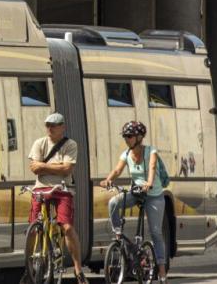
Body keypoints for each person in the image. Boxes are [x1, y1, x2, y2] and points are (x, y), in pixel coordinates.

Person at [100, 121, 168, 282]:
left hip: (154, 195)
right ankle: (118, 235)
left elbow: (152, 167)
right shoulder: (126, 154)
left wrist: (149, 183)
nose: (126, 139)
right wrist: (108, 180)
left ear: (139, 137)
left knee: (156, 232)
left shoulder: (151, 151)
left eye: (129, 136)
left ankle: (162, 270)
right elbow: (117, 170)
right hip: (136, 192)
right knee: (113, 202)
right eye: (125, 136)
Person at [28, 113, 87, 284]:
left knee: (67, 228)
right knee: (33, 227)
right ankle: (30, 265)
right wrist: (56, 167)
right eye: (47, 125)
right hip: (41, 188)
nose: (50, 128)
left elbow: (67, 169)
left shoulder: (70, 144)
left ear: (62, 127)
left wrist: (44, 166)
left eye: (54, 125)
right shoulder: (39, 143)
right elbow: (34, 168)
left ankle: (78, 269)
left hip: (63, 189)